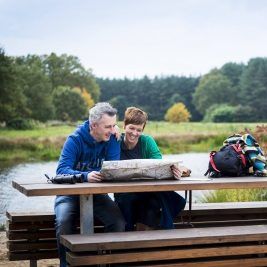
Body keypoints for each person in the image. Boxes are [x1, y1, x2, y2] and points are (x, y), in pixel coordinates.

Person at [54, 102, 125, 267]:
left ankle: (104, 263)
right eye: (108, 126)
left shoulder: (111, 139)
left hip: (97, 195)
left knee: (118, 222)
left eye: (114, 125)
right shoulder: (75, 140)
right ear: (94, 125)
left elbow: (113, 168)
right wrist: (85, 176)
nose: (112, 129)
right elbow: (61, 171)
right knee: (63, 222)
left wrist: (115, 138)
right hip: (68, 195)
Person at [115, 107, 187, 231]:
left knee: (153, 202)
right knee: (136, 203)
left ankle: (151, 239)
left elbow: (159, 165)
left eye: (139, 130)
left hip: (147, 191)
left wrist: (175, 170)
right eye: (131, 128)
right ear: (124, 126)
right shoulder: (115, 142)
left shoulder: (147, 141)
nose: (134, 133)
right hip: (124, 193)